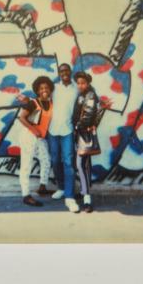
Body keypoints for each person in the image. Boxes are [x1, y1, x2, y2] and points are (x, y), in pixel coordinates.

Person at [47, 63, 80, 213]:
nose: (64, 73)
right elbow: (41, 97)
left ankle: (70, 196)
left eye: (66, 70)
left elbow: (87, 100)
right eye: (61, 71)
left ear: (70, 72)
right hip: (53, 130)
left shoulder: (76, 88)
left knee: (68, 162)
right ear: (59, 73)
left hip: (68, 130)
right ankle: (61, 187)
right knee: (55, 160)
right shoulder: (54, 88)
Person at [18, 76, 54, 207]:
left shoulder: (50, 104)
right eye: (41, 88)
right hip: (29, 135)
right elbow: (21, 118)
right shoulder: (33, 102)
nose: (44, 90)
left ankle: (42, 187)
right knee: (26, 164)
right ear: (38, 91)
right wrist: (33, 130)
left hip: (40, 137)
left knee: (46, 160)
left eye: (46, 88)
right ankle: (26, 195)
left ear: (50, 89)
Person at [72, 71, 100, 213]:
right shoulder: (82, 95)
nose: (80, 85)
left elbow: (88, 114)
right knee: (82, 165)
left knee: (83, 165)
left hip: (85, 134)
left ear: (88, 83)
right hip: (80, 134)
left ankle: (87, 199)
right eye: (78, 83)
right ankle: (84, 192)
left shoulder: (90, 95)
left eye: (83, 83)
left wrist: (78, 126)